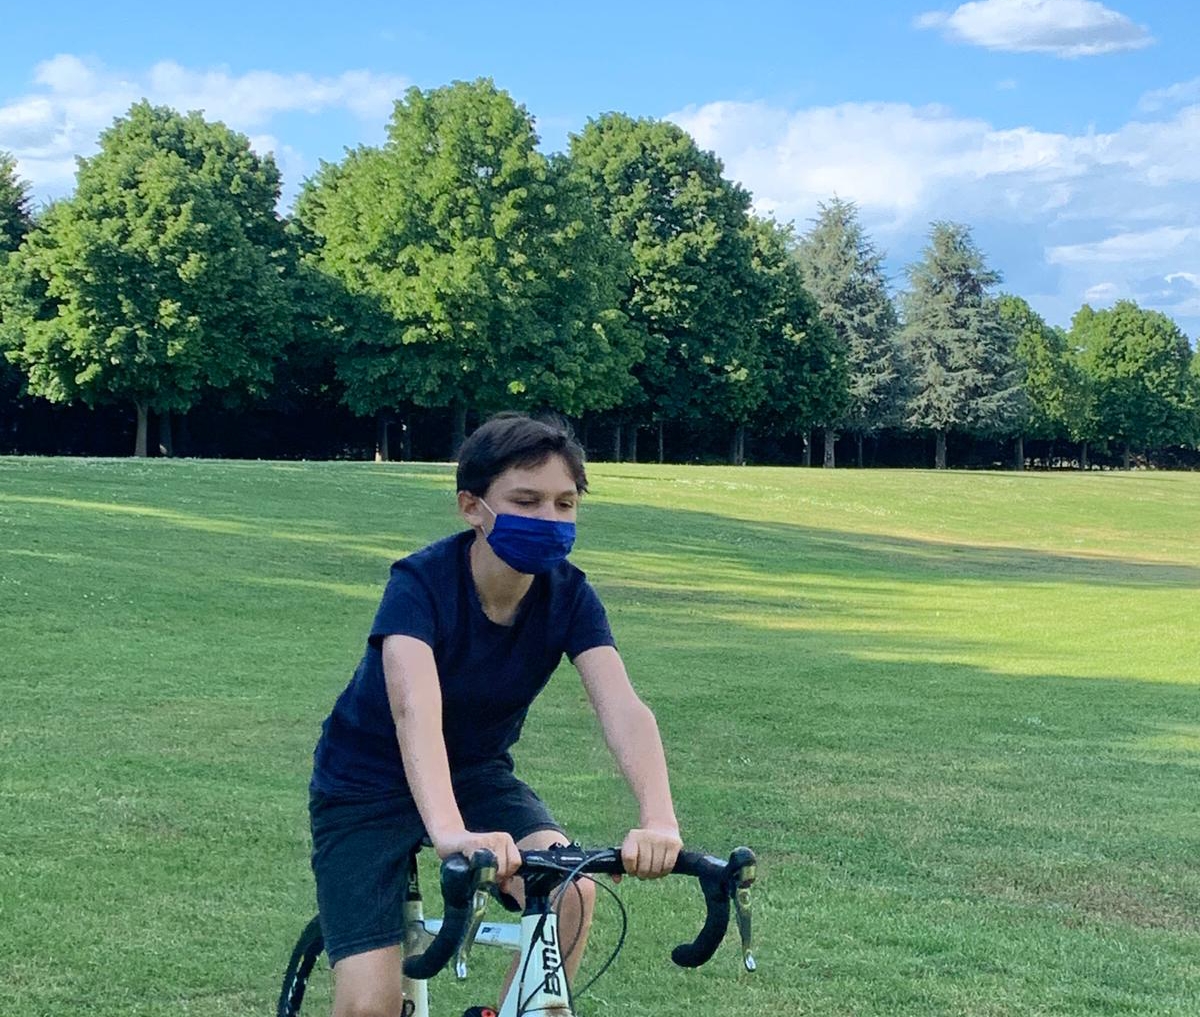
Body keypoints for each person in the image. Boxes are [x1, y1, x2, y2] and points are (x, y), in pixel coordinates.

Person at [308, 412, 682, 1017]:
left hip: (476, 774)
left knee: (572, 891)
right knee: (369, 1005)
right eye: (526, 501)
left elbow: (623, 708)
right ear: (471, 507)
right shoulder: (420, 583)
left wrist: (659, 819)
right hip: (365, 784)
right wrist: (450, 832)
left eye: (565, 504)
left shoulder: (569, 595)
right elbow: (413, 709)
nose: (549, 519)